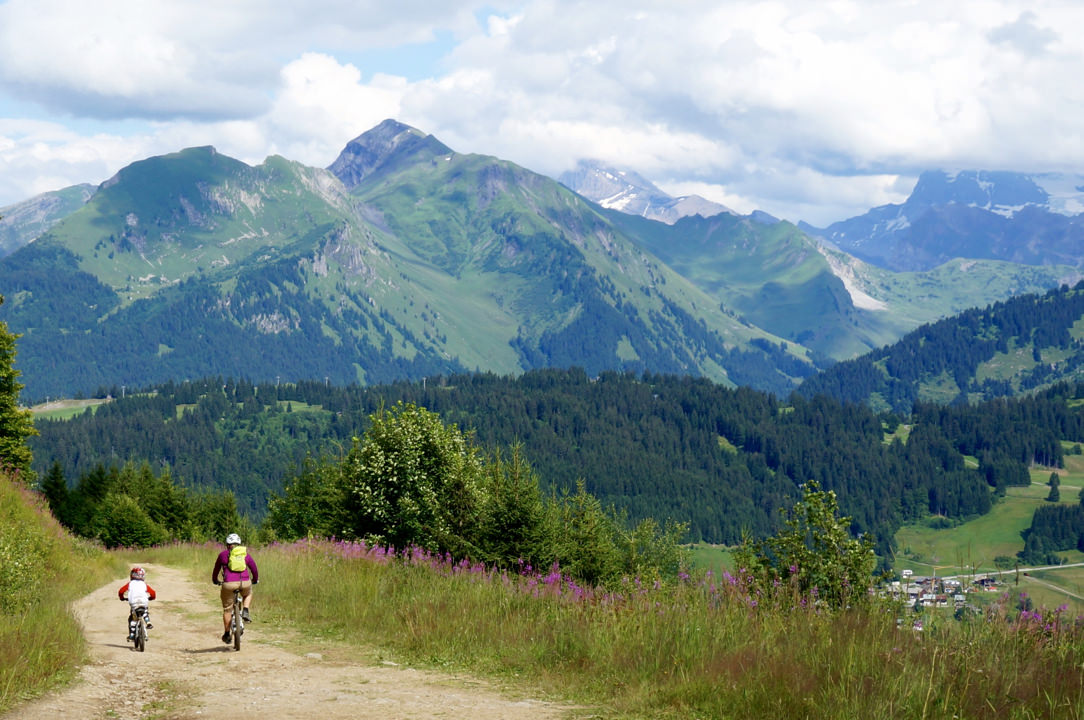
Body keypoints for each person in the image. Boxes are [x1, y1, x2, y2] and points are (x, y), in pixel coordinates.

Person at [211, 532, 258, 644]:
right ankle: (245, 610)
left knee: (227, 609)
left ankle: (227, 634)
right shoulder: (244, 554)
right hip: (244, 582)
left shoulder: (223, 555)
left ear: (227, 545)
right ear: (239, 544)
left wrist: (215, 580)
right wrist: (255, 579)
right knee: (248, 593)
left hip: (228, 584)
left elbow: (216, 569)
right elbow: (254, 567)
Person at [118, 566, 156, 640]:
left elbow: (121, 591)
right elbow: (153, 593)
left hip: (133, 603)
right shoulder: (144, 584)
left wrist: (122, 598)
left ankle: (132, 635)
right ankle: (148, 622)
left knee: (132, 618)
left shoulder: (130, 583)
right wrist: (151, 598)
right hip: (144, 602)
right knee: (145, 611)